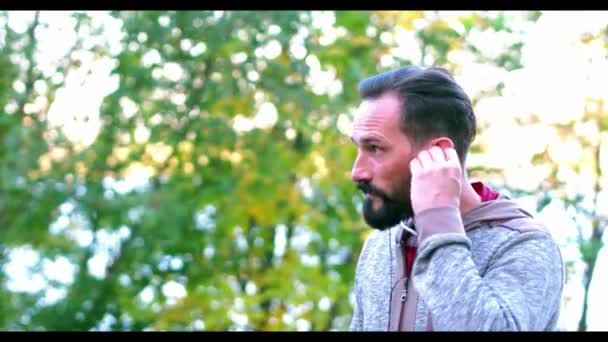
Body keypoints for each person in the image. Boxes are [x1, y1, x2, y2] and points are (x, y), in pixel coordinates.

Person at [348, 66, 564, 331]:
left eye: (375, 148)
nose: (357, 171)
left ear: (437, 153)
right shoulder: (381, 244)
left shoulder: (523, 246)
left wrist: (437, 223)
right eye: (357, 147)